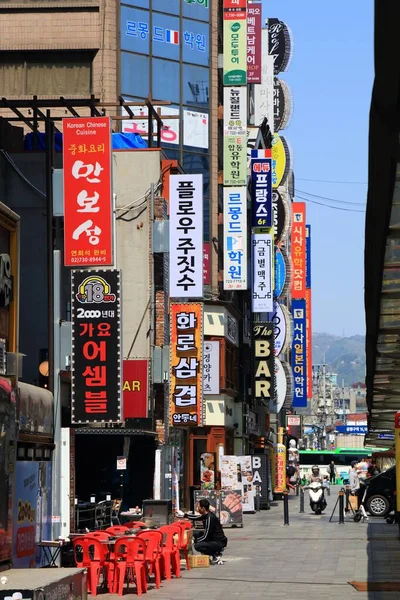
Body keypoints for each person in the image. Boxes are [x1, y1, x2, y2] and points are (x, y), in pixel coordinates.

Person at [184, 499, 227, 563]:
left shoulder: (210, 518)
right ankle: (212, 552)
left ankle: (215, 554)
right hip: (212, 538)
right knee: (195, 534)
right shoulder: (206, 515)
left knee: (197, 546)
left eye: (199, 507)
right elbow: (197, 518)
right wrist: (185, 515)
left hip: (219, 542)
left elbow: (206, 535)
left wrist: (194, 541)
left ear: (203, 508)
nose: (197, 509)